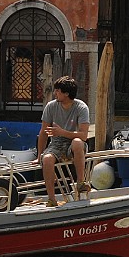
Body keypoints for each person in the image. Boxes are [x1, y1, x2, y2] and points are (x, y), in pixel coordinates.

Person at [37, 75, 91, 206]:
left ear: (66, 93)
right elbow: (43, 132)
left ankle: (80, 182)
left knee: (78, 142)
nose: (55, 93)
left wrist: (62, 132)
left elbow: (83, 136)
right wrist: (39, 154)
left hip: (73, 142)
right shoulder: (51, 106)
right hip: (56, 144)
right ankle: (52, 199)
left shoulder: (81, 107)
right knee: (47, 159)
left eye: (58, 91)